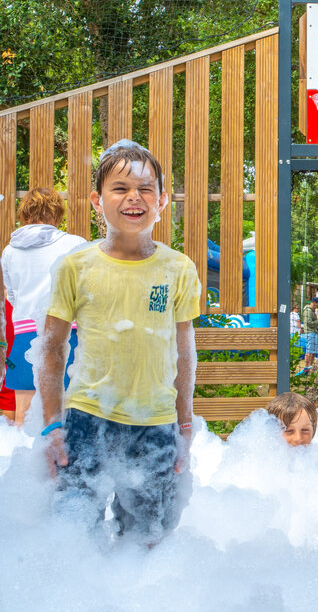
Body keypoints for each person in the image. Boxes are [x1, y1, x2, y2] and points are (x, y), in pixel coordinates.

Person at [38, 140, 201, 546]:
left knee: (148, 540)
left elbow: (184, 352)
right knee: (75, 536)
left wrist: (184, 422)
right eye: (120, 187)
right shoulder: (76, 267)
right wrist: (52, 426)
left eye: (146, 188)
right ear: (97, 200)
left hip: (155, 423)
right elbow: (51, 349)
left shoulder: (177, 268)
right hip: (88, 418)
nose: (134, 197)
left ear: (162, 200)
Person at [0, 188, 87, 426]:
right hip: (68, 335)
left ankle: (23, 461)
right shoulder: (75, 244)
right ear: (57, 215)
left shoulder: (9, 251)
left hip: (24, 335)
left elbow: (12, 296)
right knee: (68, 410)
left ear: (24, 214)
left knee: (23, 414)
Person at [297, 296, 318, 375]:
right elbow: (308, 322)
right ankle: (306, 367)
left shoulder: (312, 311)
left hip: (314, 332)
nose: (317, 306)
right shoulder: (308, 311)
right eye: (317, 304)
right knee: (309, 351)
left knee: (313, 352)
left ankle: (310, 368)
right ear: (314, 303)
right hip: (309, 333)